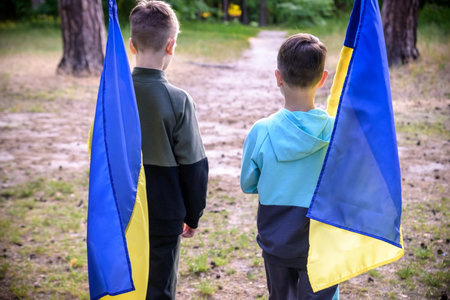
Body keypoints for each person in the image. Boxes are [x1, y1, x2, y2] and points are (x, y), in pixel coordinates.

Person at [240, 33, 339, 300]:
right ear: (322, 78)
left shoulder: (262, 131)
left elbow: (248, 183)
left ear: (278, 77)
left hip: (277, 242)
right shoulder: (338, 131)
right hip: (323, 242)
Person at [129, 1, 208, 299]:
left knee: (126, 282)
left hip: (122, 209)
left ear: (132, 45)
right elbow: (194, 165)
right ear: (171, 46)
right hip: (163, 212)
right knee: (159, 288)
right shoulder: (179, 100)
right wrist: (193, 213)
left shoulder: (113, 93)